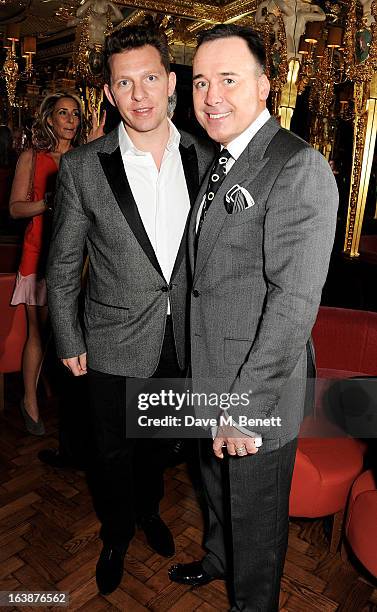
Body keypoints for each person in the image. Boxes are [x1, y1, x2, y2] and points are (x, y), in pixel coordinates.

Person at [168, 24, 338, 611]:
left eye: (229, 80)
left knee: (257, 517)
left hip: (254, 390)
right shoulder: (219, 159)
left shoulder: (296, 167)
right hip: (208, 376)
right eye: (199, 82)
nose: (211, 96)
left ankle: (252, 601)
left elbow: (293, 304)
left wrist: (245, 407)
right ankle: (218, 558)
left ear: (265, 86)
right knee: (216, 489)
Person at [46, 25, 214, 597]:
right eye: (125, 82)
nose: (139, 93)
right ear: (110, 94)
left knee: (159, 443)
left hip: (184, 336)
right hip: (113, 336)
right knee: (113, 448)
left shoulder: (206, 156)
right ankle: (116, 533)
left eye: (149, 78)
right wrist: (67, 338)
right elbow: (64, 264)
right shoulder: (82, 167)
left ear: (171, 82)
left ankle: (148, 511)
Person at [9, 92, 86, 436]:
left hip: (79, 261)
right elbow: (14, 209)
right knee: (39, 333)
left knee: (73, 334)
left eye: (75, 114)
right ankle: (30, 402)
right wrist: (49, 201)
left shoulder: (86, 158)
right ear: (50, 119)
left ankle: (75, 409)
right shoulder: (34, 157)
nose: (70, 120)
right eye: (63, 113)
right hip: (38, 254)